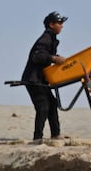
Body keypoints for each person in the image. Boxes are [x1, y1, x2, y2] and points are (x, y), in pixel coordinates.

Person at [21, 11, 68, 142]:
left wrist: (56, 58)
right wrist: (53, 58)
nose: (62, 26)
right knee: (43, 107)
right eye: (59, 23)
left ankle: (55, 134)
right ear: (51, 24)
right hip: (33, 79)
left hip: (40, 80)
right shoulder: (46, 39)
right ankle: (37, 137)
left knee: (52, 104)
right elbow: (37, 56)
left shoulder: (51, 38)